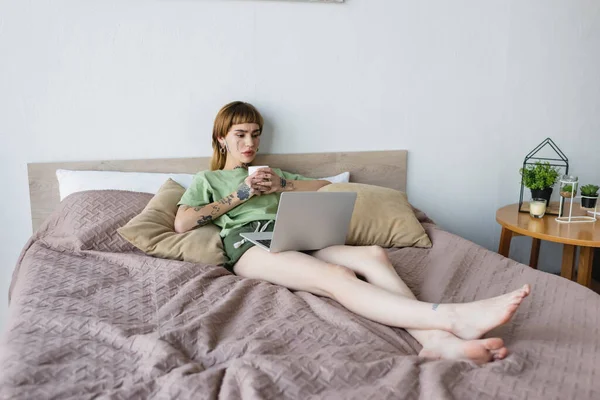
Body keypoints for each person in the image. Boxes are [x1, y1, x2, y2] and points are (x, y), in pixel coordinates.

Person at [174, 101, 531, 365]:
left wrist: (282, 185)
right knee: (337, 275)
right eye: (240, 135)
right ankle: (449, 318)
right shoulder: (208, 180)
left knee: (373, 255)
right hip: (248, 246)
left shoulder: (273, 173)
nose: (249, 142)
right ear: (222, 138)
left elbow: (326, 185)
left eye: (255, 134)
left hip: (291, 231)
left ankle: (437, 341)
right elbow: (184, 222)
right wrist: (242, 194)